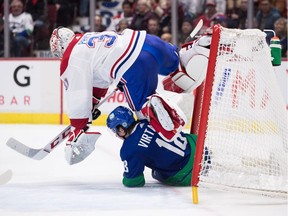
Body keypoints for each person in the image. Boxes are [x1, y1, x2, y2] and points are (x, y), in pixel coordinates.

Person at [106, 105, 198, 187]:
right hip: (197, 145)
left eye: (115, 131)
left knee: (156, 173)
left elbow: (133, 181)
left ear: (121, 130)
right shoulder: (148, 118)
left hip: (187, 174)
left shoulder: (129, 149)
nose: (116, 134)